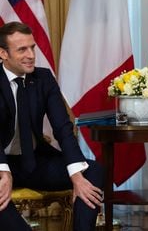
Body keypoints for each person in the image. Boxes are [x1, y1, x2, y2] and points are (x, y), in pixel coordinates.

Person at [0, 21, 104, 230]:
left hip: (33, 162)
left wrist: (76, 175)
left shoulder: (43, 78)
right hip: (2, 163)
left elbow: (63, 127)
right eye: (22, 49)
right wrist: (3, 171)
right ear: (3, 53)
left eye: (32, 47)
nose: (31, 55)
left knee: (91, 171)